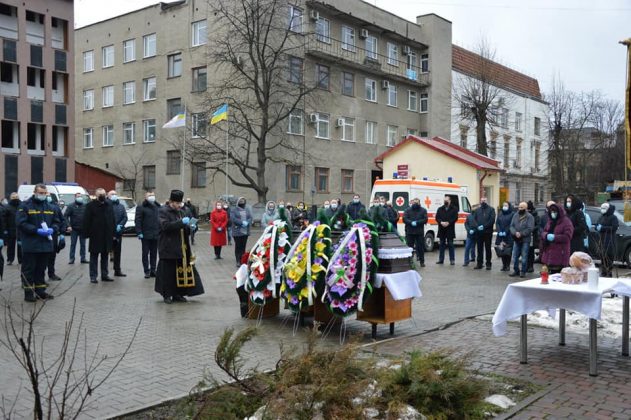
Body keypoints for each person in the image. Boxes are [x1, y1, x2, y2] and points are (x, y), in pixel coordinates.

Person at [155, 190, 204, 303]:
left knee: (179, 272)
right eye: (177, 203)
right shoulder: (163, 211)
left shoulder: (182, 212)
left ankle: (178, 294)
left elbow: (185, 227)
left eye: (180, 203)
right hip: (168, 247)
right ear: (171, 202)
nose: (179, 206)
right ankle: (167, 295)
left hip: (182, 247)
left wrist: (192, 227)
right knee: (168, 272)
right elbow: (165, 226)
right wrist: (182, 223)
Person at [17, 184, 61, 301]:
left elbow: (57, 222)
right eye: (40, 193)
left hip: (45, 245)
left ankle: (40, 291)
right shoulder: (25, 206)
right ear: (35, 192)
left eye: (44, 193)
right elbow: (21, 223)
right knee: (29, 269)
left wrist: (53, 229)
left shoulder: (50, 207)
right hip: (31, 244)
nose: (43, 195)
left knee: (41, 269)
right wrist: (36, 230)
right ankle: (29, 293)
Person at [83, 188, 115, 283]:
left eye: (104, 194)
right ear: (96, 196)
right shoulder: (90, 206)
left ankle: (104, 275)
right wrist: (86, 233)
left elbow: (112, 219)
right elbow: (86, 220)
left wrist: (113, 233)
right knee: (94, 257)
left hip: (107, 235)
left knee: (105, 256)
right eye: (100, 195)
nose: (102, 196)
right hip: (95, 235)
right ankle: (93, 276)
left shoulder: (109, 205)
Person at [540, 202, 574, 274]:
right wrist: (546, 235)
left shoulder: (566, 222)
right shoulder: (550, 221)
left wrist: (555, 237)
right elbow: (543, 232)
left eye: (555, 212)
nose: (553, 214)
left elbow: (567, 237)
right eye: (552, 212)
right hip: (548, 253)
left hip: (560, 254)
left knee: (557, 275)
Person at [135, 191, 161, 279]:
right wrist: (139, 232)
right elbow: (137, 220)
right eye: (150, 195)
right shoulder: (141, 207)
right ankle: (146, 271)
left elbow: (160, 220)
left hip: (156, 234)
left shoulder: (158, 207)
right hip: (145, 235)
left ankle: (153, 270)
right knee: (145, 253)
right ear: (145, 197)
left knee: (154, 253)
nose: (152, 197)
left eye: (153, 195)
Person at [509, 202, 535, 278]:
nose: (520, 209)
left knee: (524, 256)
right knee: (515, 256)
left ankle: (523, 271)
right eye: (519, 207)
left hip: (525, 240)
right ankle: (516, 270)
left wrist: (521, 233)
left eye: (522, 208)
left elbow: (530, 228)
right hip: (516, 239)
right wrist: (515, 232)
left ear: (526, 208)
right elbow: (511, 226)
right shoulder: (515, 215)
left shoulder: (530, 217)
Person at [46, 194, 67, 282]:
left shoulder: (55, 207)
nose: (47, 197)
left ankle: (51, 273)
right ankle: (39, 278)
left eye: (47, 195)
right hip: (40, 235)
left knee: (52, 256)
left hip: (53, 235)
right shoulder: (36, 207)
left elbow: (62, 220)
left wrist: (62, 234)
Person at [472, 197, 496, 270]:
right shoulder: (477, 210)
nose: (483, 202)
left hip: (488, 232)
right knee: (479, 248)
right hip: (479, 232)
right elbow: (474, 220)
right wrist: (477, 226)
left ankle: (488, 264)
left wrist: (484, 226)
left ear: (487, 201)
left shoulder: (491, 209)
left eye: (484, 200)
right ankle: (479, 263)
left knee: (488, 248)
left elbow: (492, 220)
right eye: (482, 201)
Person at [108, 190, 128, 277]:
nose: (114, 195)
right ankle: (105, 273)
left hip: (118, 233)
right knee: (106, 253)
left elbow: (125, 217)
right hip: (108, 233)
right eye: (112, 194)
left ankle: (117, 270)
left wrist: (120, 225)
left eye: (115, 194)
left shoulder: (121, 206)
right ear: (108, 196)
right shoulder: (106, 206)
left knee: (118, 253)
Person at [403, 198, 428, 267]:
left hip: (419, 232)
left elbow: (425, 219)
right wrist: (411, 222)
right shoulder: (408, 210)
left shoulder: (423, 210)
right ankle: (409, 261)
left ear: (419, 203)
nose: (415, 204)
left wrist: (417, 222)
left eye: (416, 203)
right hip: (410, 232)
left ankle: (422, 261)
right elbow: (404, 219)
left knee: (420, 247)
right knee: (409, 247)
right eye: (414, 203)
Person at [596, 202, 618, 277]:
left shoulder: (613, 217)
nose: (602, 210)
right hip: (602, 240)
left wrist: (603, 228)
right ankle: (604, 272)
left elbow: (614, 227)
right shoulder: (601, 217)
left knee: (608, 258)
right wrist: (597, 227)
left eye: (604, 208)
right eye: (601, 208)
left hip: (609, 241)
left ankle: (609, 272)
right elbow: (597, 225)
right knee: (602, 257)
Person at [65, 192, 88, 264]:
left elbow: (89, 216)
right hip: (74, 229)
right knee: (73, 244)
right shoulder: (71, 206)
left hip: (83, 228)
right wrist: (68, 225)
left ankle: (83, 258)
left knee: (83, 244)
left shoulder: (85, 206)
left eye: (81, 196)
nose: (80, 198)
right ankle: (71, 258)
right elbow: (65, 216)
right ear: (75, 197)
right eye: (78, 196)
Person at [435, 195, 458, 265]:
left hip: (450, 229)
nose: (445, 201)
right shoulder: (440, 209)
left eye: (447, 200)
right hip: (442, 229)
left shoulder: (454, 209)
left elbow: (455, 218)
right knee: (442, 244)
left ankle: (452, 260)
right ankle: (441, 260)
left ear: (450, 201)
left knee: (450, 244)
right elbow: (437, 218)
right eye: (444, 200)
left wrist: (449, 222)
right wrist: (441, 222)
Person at [230, 197, 252, 268]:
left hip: (245, 231)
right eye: (240, 201)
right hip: (237, 231)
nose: (242, 202)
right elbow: (233, 219)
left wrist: (247, 222)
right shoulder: (234, 210)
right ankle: (238, 260)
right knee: (238, 246)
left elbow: (250, 217)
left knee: (243, 246)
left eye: (243, 201)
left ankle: (243, 260)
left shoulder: (247, 209)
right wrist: (241, 222)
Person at [495, 202, 514, 271]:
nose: (504, 206)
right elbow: (497, 223)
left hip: (508, 235)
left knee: (508, 251)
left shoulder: (512, 214)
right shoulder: (500, 213)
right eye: (503, 205)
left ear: (509, 206)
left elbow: (511, 224)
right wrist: (499, 231)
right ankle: (503, 265)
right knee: (502, 250)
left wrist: (506, 231)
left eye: (506, 205)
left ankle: (508, 265)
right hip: (500, 235)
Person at [4, 193, 21, 265]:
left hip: (20, 229)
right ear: (10, 198)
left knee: (20, 246)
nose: (15, 198)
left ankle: (21, 259)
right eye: (13, 197)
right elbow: (4, 219)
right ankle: (10, 259)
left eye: (16, 197)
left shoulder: (22, 206)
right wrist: (5, 229)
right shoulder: (7, 207)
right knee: (10, 246)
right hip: (11, 229)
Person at [526, 201, 540, 272]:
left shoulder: (535, 215)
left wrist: (531, 229)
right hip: (525, 235)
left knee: (530, 252)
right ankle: (526, 266)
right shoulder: (524, 214)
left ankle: (530, 266)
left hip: (532, 236)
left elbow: (538, 225)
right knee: (526, 251)